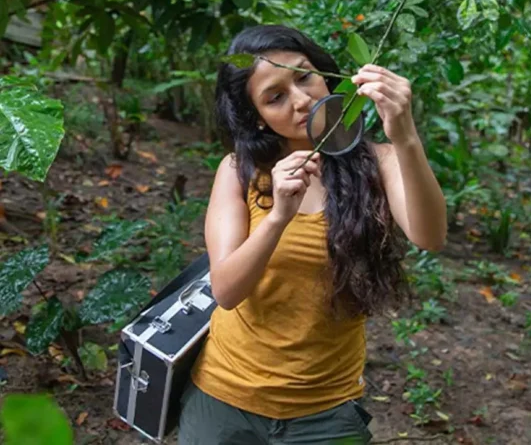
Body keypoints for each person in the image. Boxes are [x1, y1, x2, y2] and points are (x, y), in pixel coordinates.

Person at [178, 25, 447, 445]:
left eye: (304, 76)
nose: (301, 100)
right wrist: (277, 217)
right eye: (275, 97)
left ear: (327, 76)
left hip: (326, 412)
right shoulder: (239, 170)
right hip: (224, 399)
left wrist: (406, 134)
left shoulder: (379, 161)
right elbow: (227, 291)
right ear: (258, 118)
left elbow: (429, 236)